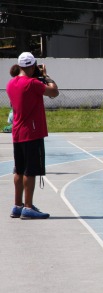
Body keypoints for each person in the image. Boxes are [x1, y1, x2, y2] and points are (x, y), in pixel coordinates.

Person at [6, 53, 59, 219]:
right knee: (30, 171)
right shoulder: (32, 83)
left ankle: (17, 205)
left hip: (17, 132)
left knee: (19, 169)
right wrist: (46, 76)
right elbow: (54, 92)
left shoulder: (11, 83)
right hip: (32, 132)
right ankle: (28, 207)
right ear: (33, 66)